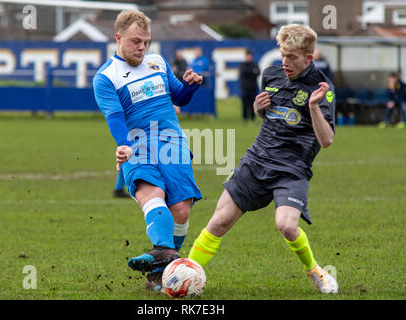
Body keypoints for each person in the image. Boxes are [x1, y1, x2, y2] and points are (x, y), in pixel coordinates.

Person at [188, 24, 338, 294]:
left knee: (286, 226)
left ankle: (316, 271)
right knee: (219, 221)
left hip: (292, 168)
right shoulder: (270, 74)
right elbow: (272, 117)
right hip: (257, 159)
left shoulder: (322, 89)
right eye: (282, 55)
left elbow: (326, 140)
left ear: (308, 58)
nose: (285, 62)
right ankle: (186, 276)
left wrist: (313, 107)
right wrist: (259, 109)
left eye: (292, 57)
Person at [93, 9, 203, 293]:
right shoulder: (106, 77)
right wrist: (124, 145)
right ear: (118, 38)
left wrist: (189, 87)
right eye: (135, 41)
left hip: (172, 143)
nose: (142, 47)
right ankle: (165, 263)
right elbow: (115, 117)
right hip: (137, 146)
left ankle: (161, 265)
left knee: (180, 209)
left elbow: (178, 96)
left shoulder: (157, 62)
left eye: (146, 41)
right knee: (152, 195)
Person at [239, 49, 260, 123]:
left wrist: (252, 72)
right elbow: (244, 72)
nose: (249, 57)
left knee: (253, 104)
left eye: (250, 56)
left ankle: (252, 118)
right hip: (245, 88)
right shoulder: (242, 65)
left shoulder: (254, 64)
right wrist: (252, 71)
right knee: (245, 104)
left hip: (253, 87)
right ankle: (245, 119)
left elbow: (258, 72)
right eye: (248, 56)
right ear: (246, 56)